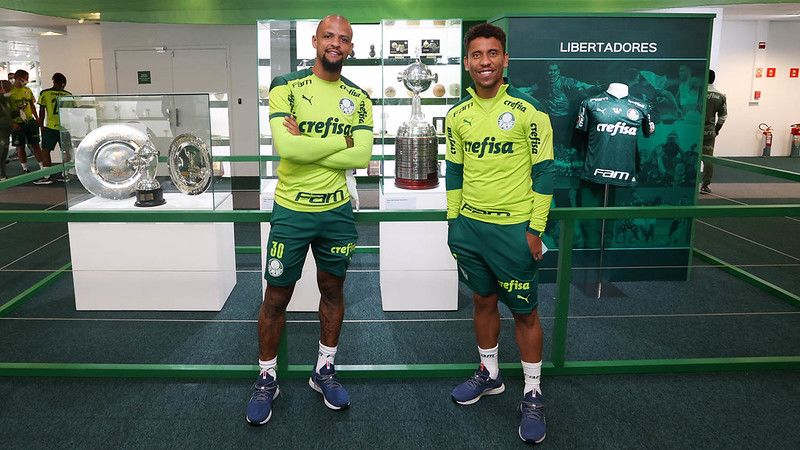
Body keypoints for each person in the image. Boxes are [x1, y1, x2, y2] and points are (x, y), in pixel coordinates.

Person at [246, 15, 373, 426]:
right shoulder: (286, 85)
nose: (336, 44)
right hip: (292, 211)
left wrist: (307, 144)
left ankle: (324, 370)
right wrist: (341, 140)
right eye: (329, 36)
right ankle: (267, 377)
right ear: (315, 40)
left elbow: (362, 157)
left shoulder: (360, 96)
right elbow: (287, 148)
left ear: (350, 48)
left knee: (333, 291)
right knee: (276, 297)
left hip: (337, 212)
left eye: (344, 39)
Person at [445, 23, 555, 444]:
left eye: (493, 53)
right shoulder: (457, 115)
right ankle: (489, 373)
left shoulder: (530, 113)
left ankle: (532, 391)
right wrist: (454, 221)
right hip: (471, 229)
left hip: (514, 230)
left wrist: (535, 229)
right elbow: (455, 170)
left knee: (525, 312)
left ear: (505, 59)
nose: (485, 62)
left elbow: (545, 174)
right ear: (468, 61)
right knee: (482, 299)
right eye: (477, 55)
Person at [37, 72, 72, 183]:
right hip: (64, 127)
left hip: (50, 127)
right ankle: (65, 174)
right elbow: (73, 111)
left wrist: (41, 125)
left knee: (46, 150)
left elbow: (42, 110)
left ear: (53, 81)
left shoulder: (45, 93)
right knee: (66, 150)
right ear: (63, 83)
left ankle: (47, 176)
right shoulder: (68, 94)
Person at [9, 69, 43, 178]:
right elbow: (6, 109)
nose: (27, 80)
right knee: (20, 146)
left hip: (30, 121)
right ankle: (25, 168)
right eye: (26, 78)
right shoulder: (9, 92)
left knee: (36, 144)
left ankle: (42, 167)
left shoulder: (27, 90)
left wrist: (37, 118)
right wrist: (11, 123)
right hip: (17, 123)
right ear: (18, 78)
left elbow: (32, 105)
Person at [701, 70, 727, 194]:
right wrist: (716, 129)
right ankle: (705, 185)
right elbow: (723, 117)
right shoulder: (721, 96)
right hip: (709, 132)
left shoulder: (698, 93)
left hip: (694, 131)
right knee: (708, 159)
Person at [0, 80, 12, 180]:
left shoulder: (6, 101)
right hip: (1, 131)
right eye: (7, 88)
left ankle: (2, 175)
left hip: (6, 131)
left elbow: (9, 114)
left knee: (3, 155)